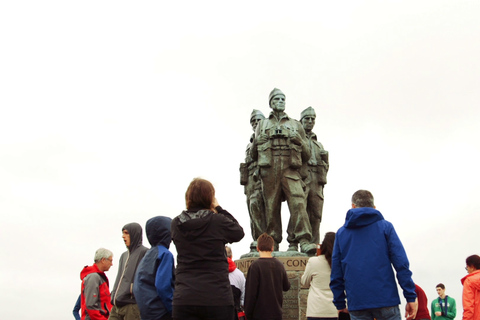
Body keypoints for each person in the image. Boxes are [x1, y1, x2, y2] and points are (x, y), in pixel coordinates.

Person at [330, 190, 417, 320]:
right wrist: (410, 296)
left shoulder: (341, 234)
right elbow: (401, 264)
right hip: (386, 300)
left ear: (353, 206)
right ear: (374, 208)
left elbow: (336, 272)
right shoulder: (386, 227)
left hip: (357, 302)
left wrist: (340, 303)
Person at [251, 88, 315, 253]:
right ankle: (273, 242)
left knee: (298, 201)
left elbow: (307, 156)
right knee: (271, 208)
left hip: (290, 169)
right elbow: (253, 155)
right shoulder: (262, 124)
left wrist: (299, 141)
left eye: (282, 99)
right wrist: (257, 141)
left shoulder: (295, 124)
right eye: (277, 99)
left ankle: (304, 240)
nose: (280, 102)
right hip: (269, 170)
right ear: (271, 103)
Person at [171, 177, 245, 320]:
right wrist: (218, 208)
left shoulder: (176, 224)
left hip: (185, 297)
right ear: (210, 198)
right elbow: (238, 232)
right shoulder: (217, 221)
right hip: (216, 297)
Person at [133, 216, 175, 320]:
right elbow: (163, 286)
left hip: (147, 312)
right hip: (161, 313)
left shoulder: (148, 255)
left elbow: (137, 286)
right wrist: (173, 309)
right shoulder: (165, 254)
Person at [244, 233, 291, 320]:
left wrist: (247, 314)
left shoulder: (255, 266)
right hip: (277, 314)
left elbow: (250, 294)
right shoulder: (280, 265)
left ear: (258, 248)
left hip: (259, 315)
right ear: (272, 248)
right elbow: (286, 286)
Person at [300, 106, 329, 245]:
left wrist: (326, 160)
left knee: (316, 215)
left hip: (317, 181)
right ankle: (299, 242)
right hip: (302, 179)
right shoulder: (298, 139)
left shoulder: (318, 145)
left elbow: (326, 168)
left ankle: (314, 245)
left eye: (313, 119)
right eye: (307, 118)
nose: (310, 121)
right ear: (301, 121)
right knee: (300, 212)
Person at [240, 109, 266, 251]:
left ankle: (265, 240)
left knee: (260, 206)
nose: (256, 123)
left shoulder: (265, 138)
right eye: (253, 121)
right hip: (249, 180)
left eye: (258, 120)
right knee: (252, 210)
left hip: (262, 177)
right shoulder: (250, 143)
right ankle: (258, 239)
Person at [110, 223, 148, 320]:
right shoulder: (124, 256)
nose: (123, 236)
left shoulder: (145, 252)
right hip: (117, 304)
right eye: (123, 233)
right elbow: (119, 277)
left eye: (126, 233)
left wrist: (134, 293)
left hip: (132, 305)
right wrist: (113, 295)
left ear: (134, 234)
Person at [301, 232, 338, 320]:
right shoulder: (342, 263)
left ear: (322, 246)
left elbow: (304, 282)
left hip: (316, 310)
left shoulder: (313, 262)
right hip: (336, 310)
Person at [80, 248, 114, 320]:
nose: (111, 264)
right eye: (110, 260)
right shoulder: (93, 277)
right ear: (103, 260)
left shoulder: (99, 277)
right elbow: (90, 306)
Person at [225, 246, 246, 319]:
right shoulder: (240, 275)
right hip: (235, 314)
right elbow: (244, 299)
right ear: (231, 256)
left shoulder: (214, 273)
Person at [461, 254, 480, 320]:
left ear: (472, 266)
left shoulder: (469, 281)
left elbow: (469, 308)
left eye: (467, 268)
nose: (467, 271)